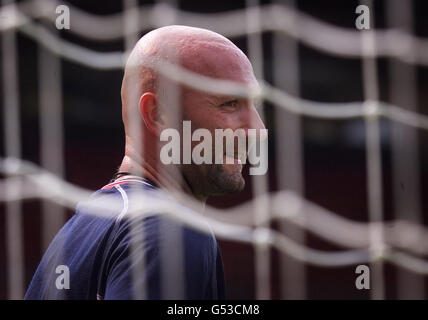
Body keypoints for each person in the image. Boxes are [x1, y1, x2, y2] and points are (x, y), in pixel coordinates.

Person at [25, 25, 265, 300]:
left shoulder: (83, 227)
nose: (257, 129)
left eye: (254, 105)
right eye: (230, 104)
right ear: (158, 114)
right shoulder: (169, 231)